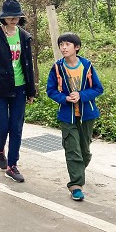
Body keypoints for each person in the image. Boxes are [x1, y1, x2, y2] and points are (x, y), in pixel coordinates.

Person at [0, 0, 37, 183]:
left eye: (16, 16)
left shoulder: (23, 36)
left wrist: (31, 90)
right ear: (3, 17)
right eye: (10, 16)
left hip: (20, 88)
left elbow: (27, 65)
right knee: (3, 126)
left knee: (16, 128)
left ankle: (12, 165)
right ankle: (0, 149)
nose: (14, 19)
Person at [46, 32, 104, 201]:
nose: (63, 48)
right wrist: (64, 98)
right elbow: (51, 91)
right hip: (67, 115)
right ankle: (76, 185)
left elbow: (98, 89)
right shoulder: (57, 68)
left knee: (84, 151)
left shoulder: (87, 66)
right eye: (61, 45)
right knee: (72, 150)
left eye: (67, 44)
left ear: (76, 47)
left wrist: (81, 95)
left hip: (87, 114)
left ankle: (78, 171)